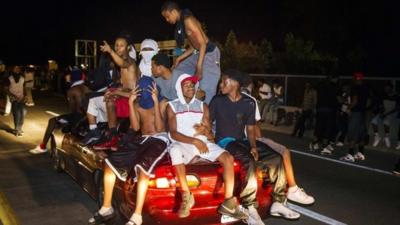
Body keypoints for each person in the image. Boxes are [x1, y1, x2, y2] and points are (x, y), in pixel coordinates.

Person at [210, 69, 309, 224]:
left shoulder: (248, 102)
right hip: (224, 141)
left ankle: (278, 201)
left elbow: (250, 129)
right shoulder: (217, 101)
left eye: (224, 81)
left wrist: (254, 146)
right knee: (248, 160)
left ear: (235, 83)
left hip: (241, 139)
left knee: (276, 157)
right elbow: (207, 123)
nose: (221, 84)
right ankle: (249, 206)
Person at [89, 76, 170, 225]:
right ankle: (107, 207)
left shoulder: (163, 102)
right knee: (109, 163)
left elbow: (160, 128)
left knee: (142, 169)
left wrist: (156, 102)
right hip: (142, 139)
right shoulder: (138, 104)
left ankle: (137, 215)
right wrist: (131, 104)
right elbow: (136, 127)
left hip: (159, 139)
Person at [167, 74, 247, 220]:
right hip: (185, 143)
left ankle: (228, 202)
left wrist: (205, 132)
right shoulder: (172, 106)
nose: (191, 87)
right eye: (187, 85)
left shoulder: (202, 106)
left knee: (227, 157)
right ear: (179, 88)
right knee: (174, 150)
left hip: (203, 142)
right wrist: (194, 141)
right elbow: (173, 133)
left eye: (193, 85)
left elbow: (210, 133)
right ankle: (186, 195)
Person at [161, 1, 221, 104]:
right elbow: (194, 47)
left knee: (206, 89)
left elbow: (203, 44)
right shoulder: (182, 24)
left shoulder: (188, 20)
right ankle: (181, 98)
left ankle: (208, 115)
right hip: (198, 53)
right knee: (177, 69)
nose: (167, 20)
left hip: (209, 53)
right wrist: (179, 59)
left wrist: (199, 67)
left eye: (167, 16)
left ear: (174, 11)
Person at [90, 34, 139, 150]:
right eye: (116, 45)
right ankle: (113, 137)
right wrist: (116, 91)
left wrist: (110, 51)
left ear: (128, 48)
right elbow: (126, 85)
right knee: (109, 99)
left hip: (134, 99)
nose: (118, 48)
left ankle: (120, 138)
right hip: (127, 95)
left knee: (110, 97)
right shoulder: (122, 63)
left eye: (121, 46)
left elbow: (122, 64)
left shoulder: (130, 62)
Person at [30, 68, 91, 154]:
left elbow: (73, 109)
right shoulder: (87, 88)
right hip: (89, 117)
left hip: (78, 117)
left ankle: (43, 146)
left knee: (52, 121)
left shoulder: (71, 90)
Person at [340, 72, 370, 162]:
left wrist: (347, 108)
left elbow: (354, 101)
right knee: (361, 134)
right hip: (363, 113)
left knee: (352, 133)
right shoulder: (365, 88)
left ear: (355, 79)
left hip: (356, 113)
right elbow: (369, 101)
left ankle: (350, 154)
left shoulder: (355, 88)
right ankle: (360, 153)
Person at [309, 75, 340, 155]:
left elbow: (315, 95)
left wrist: (315, 107)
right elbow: (338, 98)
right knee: (327, 129)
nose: (337, 80)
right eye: (337, 78)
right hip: (329, 110)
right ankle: (324, 147)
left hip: (320, 109)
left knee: (319, 127)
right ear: (333, 78)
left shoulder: (320, 85)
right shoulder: (334, 86)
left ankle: (314, 144)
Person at [370, 82, 399, 148]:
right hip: (385, 112)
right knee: (373, 121)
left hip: (392, 113)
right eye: (385, 89)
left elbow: (397, 108)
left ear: (391, 89)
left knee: (386, 122)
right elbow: (381, 106)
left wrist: (386, 114)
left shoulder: (396, 96)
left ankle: (387, 137)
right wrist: (381, 112)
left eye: (388, 88)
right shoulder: (383, 95)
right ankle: (377, 136)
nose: (386, 90)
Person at [7, 66, 26, 137]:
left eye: (18, 68)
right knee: (17, 114)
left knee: (23, 112)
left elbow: (24, 87)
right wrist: (14, 96)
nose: (17, 69)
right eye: (15, 68)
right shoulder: (9, 78)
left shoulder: (22, 77)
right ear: (13, 69)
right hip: (13, 98)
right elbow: (6, 89)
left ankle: (20, 128)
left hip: (21, 98)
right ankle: (17, 129)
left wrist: (25, 95)